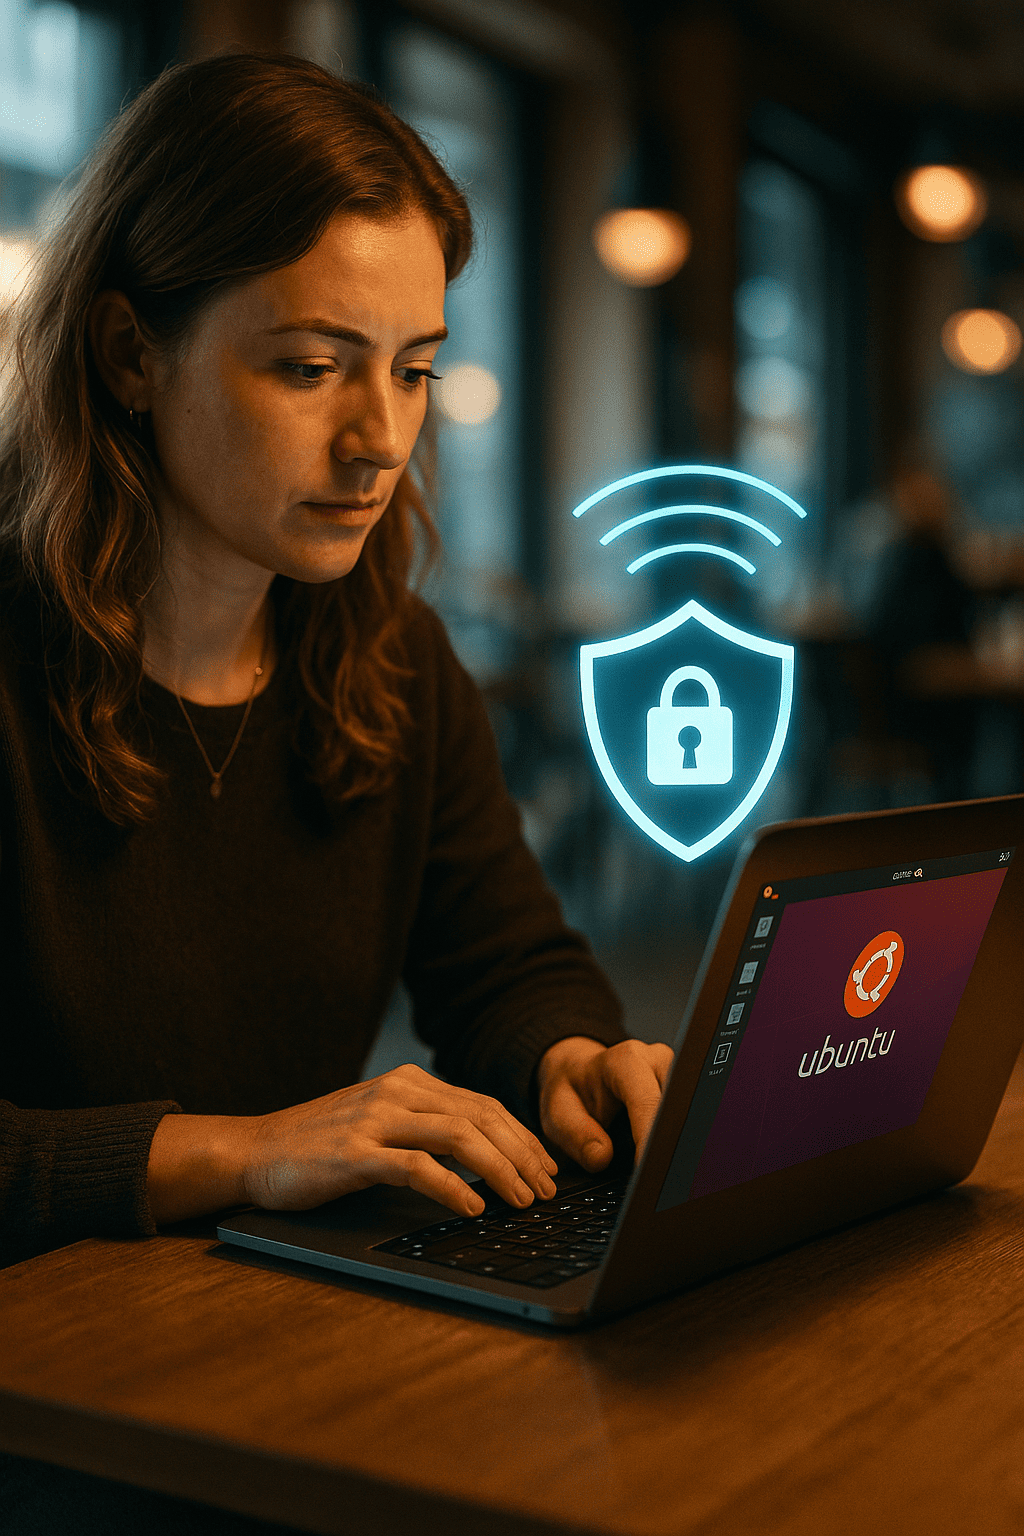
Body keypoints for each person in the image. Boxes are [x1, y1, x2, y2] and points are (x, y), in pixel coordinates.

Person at [0, 52, 673, 1278]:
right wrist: (243, 1155)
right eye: (312, 368)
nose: (382, 441)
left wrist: (570, 1056)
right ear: (127, 354)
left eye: (413, 368)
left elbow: (506, 963)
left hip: (266, 1337)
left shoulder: (393, 656)